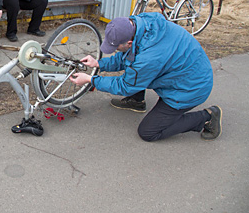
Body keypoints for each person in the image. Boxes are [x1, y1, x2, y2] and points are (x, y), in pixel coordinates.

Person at [69, 12, 222, 142]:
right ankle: (137, 101)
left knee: (148, 132)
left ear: (128, 42)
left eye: (116, 47)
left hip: (189, 88)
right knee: (136, 70)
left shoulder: (148, 57)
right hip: (186, 70)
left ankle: (207, 117)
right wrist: (99, 64)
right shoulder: (141, 24)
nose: (114, 50)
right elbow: (129, 55)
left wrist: (91, 80)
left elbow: (125, 85)